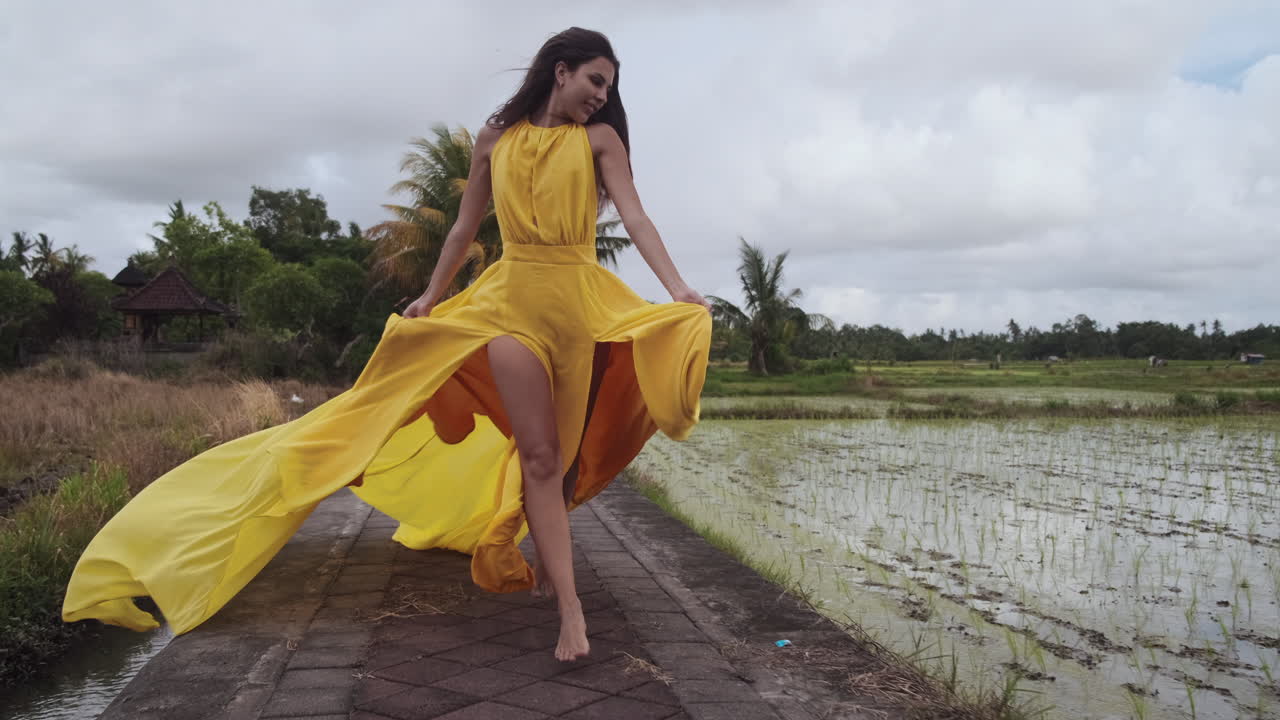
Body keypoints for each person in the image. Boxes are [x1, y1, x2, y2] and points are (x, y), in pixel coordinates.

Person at [62, 27, 712, 664]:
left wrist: (679, 288)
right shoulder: (495, 139)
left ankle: (542, 555)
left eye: (610, 87)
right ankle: (571, 612)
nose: (603, 95)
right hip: (509, 304)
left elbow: (636, 217)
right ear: (561, 69)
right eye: (596, 79)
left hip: (578, 310)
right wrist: (431, 296)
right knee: (540, 457)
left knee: (561, 461)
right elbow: (462, 228)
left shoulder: (600, 141)